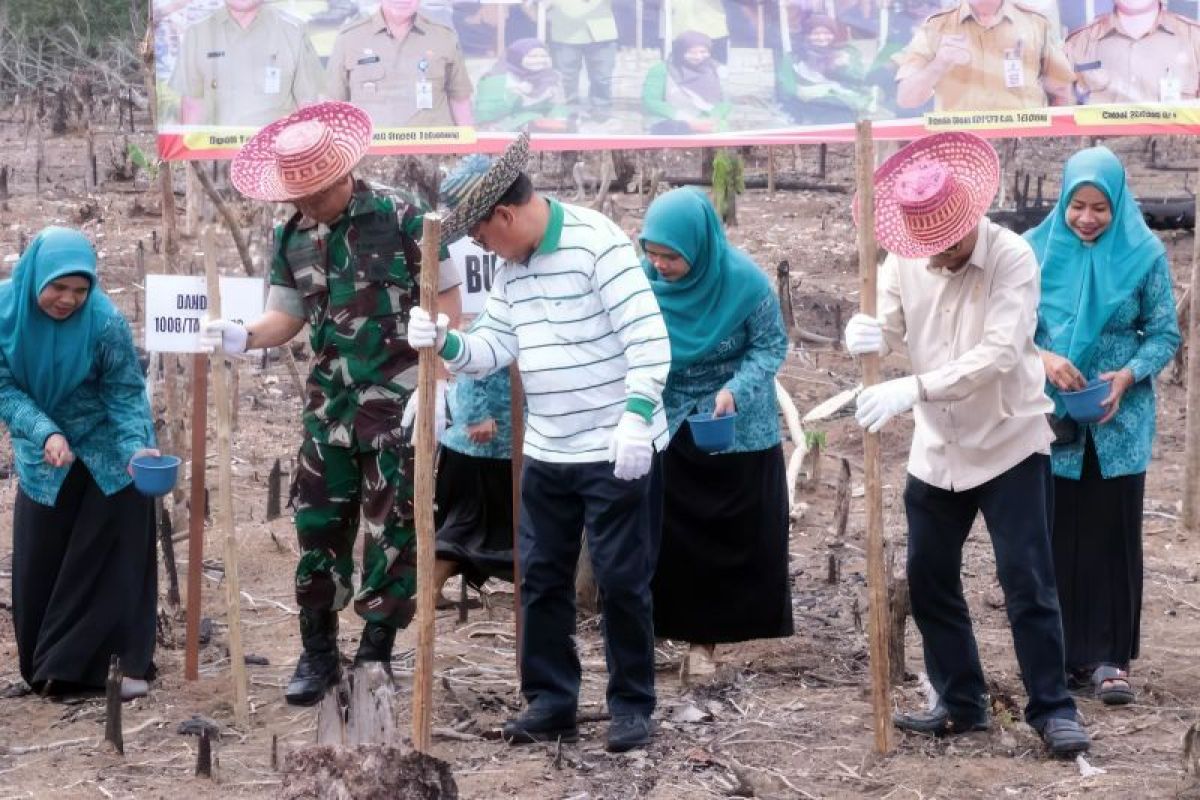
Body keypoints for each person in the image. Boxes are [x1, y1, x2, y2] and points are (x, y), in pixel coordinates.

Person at [407, 134, 671, 753]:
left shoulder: (597, 244)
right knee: (541, 576)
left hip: (614, 444)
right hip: (550, 450)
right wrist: (443, 342)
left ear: (503, 215)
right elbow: (494, 349)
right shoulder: (510, 268)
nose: (479, 248)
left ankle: (632, 704)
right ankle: (551, 699)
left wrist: (636, 417)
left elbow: (649, 340)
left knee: (621, 577)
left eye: (479, 235)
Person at [200, 101, 463, 706]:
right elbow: (285, 315)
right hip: (330, 410)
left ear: (344, 174)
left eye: (316, 193)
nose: (307, 204)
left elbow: (448, 301)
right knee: (317, 525)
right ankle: (318, 653)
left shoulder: (405, 217)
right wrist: (242, 334)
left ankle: (375, 653)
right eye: (297, 195)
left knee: (393, 530)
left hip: (399, 404)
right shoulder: (290, 234)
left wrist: (438, 382)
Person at [841, 132, 1090, 756]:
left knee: (1027, 580)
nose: (939, 256)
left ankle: (1052, 710)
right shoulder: (903, 255)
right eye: (927, 246)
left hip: (1008, 440)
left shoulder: (1012, 258)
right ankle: (960, 700)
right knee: (928, 576)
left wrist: (913, 387)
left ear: (971, 219)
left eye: (949, 244)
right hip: (938, 449)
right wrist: (866, 332)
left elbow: (1002, 353)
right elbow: (889, 322)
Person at [1025, 147, 1180, 705]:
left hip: (1120, 420)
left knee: (1112, 536)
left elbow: (1165, 334)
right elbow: (1008, 329)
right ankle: (1061, 655)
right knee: (1054, 535)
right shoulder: (1032, 254)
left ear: (1118, 204)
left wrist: (1126, 376)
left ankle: (1111, 660)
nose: (1086, 218)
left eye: (1099, 207)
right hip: (1050, 419)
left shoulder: (1143, 255)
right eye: (1076, 205)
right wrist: (1041, 358)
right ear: (1063, 200)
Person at [639, 187, 792, 683]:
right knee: (669, 534)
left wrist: (736, 389)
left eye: (672, 256)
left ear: (700, 248)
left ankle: (705, 644)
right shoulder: (641, 283)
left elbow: (770, 346)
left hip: (734, 425)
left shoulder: (745, 283)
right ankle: (659, 630)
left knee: (725, 536)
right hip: (669, 415)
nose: (660, 265)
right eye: (653, 253)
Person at [0, 228, 158, 701]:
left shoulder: (104, 321)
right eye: (58, 288)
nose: (68, 300)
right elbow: (4, 389)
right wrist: (44, 431)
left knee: (111, 558)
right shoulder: (5, 314)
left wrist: (135, 447)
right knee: (43, 558)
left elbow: (125, 390)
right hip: (44, 449)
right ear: (35, 279)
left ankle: (111, 670)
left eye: (80, 290)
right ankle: (49, 667)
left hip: (108, 451)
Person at [894, 0, 1075, 111]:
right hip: (961, 151)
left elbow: (1062, 92)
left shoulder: (1036, 24)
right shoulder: (936, 27)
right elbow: (906, 99)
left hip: (1025, 151)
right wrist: (938, 64)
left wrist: (1051, 142)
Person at [168, 0, 324, 126]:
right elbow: (192, 107)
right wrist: (190, 160)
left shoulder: (294, 32)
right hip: (215, 157)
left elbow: (308, 106)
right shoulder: (197, 34)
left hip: (275, 159)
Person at [432, 367, 516, 598]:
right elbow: (471, 368)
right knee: (463, 526)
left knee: (502, 529)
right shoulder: (492, 330)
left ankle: (431, 592)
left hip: (500, 443)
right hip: (484, 444)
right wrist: (477, 415)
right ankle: (430, 591)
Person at [326, 0, 474, 127]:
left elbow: (460, 100)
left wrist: (469, 151)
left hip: (433, 154)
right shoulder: (350, 39)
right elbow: (334, 104)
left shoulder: (444, 37)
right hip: (371, 155)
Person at [1066, 1, 1200, 105]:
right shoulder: (1078, 44)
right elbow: (1062, 125)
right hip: (1102, 141)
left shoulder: (1195, 39)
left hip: (1174, 141)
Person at [776, 15, 874, 125]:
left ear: (834, 35)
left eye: (827, 33)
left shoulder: (847, 53)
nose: (822, 38)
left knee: (859, 130)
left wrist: (842, 68)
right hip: (809, 106)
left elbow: (858, 80)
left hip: (843, 105)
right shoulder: (794, 57)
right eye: (816, 34)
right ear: (807, 35)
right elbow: (786, 89)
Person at [474, 38, 574, 133]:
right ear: (517, 57)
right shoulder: (495, 78)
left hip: (540, 129)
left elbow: (558, 106)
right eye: (533, 56)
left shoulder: (551, 77)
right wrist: (514, 97)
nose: (539, 60)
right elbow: (485, 115)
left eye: (544, 56)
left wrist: (559, 120)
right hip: (501, 130)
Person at [642, 31, 732, 134]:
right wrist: (685, 119)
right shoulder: (661, 70)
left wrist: (713, 117)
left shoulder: (717, 70)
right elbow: (651, 102)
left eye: (703, 52)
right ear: (680, 51)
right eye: (691, 52)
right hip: (672, 126)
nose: (698, 57)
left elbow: (726, 101)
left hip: (710, 126)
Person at [546, 0, 620, 117]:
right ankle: (570, 111)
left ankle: (601, 109)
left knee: (602, 77)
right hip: (563, 32)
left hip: (601, 31)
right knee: (566, 78)